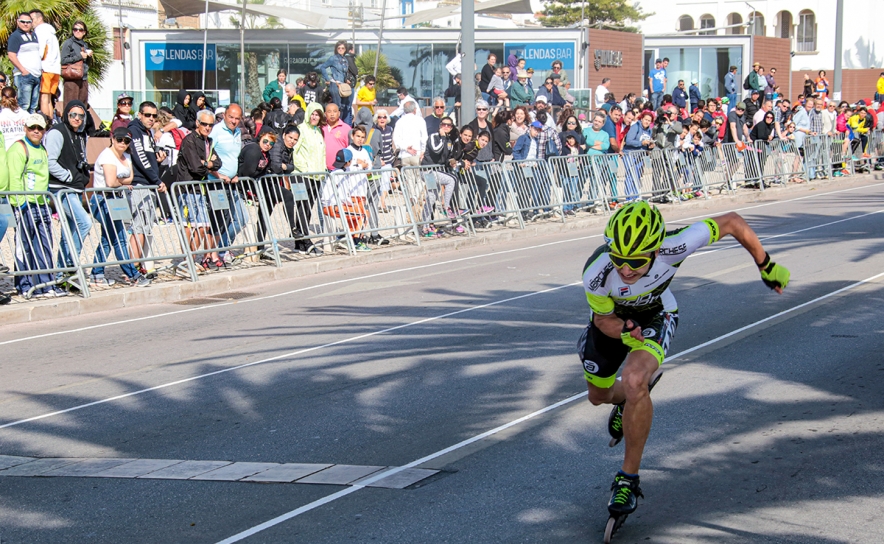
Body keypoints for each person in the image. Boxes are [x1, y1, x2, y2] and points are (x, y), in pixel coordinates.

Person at [580, 202, 789, 517]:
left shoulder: (675, 246)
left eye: (635, 261)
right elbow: (602, 320)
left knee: (636, 380)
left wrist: (765, 264)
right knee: (599, 396)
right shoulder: (596, 272)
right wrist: (624, 330)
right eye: (619, 259)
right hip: (616, 324)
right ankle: (626, 401)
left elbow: (732, 221)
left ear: (653, 252)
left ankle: (628, 479)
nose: (625, 269)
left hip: (656, 315)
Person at [7, 113, 66, 298]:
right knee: (23, 247)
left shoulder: (42, 149)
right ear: (26, 128)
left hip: (41, 204)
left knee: (45, 245)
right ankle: (24, 285)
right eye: (32, 128)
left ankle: (45, 284)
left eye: (40, 128)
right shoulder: (19, 148)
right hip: (25, 205)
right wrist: (20, 204)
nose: (36, 131)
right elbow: (14, 178)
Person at [89, 127, 152, 287]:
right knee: (119, 238)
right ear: (113, 138)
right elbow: (110, 183)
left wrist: (119, 181)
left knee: (107, 240)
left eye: (126, 140)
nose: (123, 143)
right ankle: (133, 275)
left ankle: (96, 274)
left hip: (115, 199)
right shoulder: (107, 155)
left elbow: (129, 179)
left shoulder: (126, 156)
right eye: (120, 139)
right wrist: (120, 182)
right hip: (102, 199)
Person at [45, 100, 92, 282]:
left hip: (74, 188)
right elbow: (50, 161)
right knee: (84, 223)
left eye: (80, 115)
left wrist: (82, 176)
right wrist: (67, 176)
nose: (77, 118)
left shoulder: (80, 135)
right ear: (66, 115)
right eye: (73, 114)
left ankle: (61, 273)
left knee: (69, 231)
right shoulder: (57, 132)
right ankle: (70, 267)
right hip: (61, 189)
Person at [177, 109, 223, 269]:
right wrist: (206, 164)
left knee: (203, 227)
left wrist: (207, 163)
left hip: (200, 189)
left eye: (210, 125)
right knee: (189, 227)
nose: (207, 127)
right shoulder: (189, 141)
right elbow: (195, 167)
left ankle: (191, 258)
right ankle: (187, 260)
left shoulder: (208, 141)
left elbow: (218, 163)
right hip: (187, 188)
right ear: (197, 123)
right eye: (204, 124)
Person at [209, 104, 249, 257]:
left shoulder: (238, 132)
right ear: (224, 115)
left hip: (232, 183)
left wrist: (236, 173)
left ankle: (222, 248)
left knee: (241, 218)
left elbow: (234, 156)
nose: (233, 121)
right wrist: (218, 174)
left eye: (237, 118)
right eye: (231, 117)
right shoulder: (215, 131)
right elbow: (207, 155)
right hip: (216, 182)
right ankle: (216, 253)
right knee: (221, 220)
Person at [291, 103, 326, 250]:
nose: (314, 117)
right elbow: (295, 151)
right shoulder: (301, 130)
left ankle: (300, 241)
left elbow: (322, 153)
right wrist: (304, 168)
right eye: (313, 113)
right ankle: (305, 239)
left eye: (317, 114)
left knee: (308, 208)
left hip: (316, 176)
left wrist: (322, 169)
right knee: (302, 207)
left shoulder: (318, 131)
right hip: (302, 175)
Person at [7, 13, 42, 114]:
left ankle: (31, 128)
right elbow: (11, 55)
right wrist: (23, 70)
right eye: (23, 22)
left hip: (36, 75)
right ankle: (23, 129)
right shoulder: (15, 36)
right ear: (18, 22)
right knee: (24, 105)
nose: (26, 24)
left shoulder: (34, 35)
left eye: (28, 22)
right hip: (24, 76)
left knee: (33, 106)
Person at [29, 10, 60, 119]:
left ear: (38, 18)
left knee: (43, 98)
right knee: (48, 99)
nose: (30, 22)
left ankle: (45, 122)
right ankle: (50, 122)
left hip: (46, 68)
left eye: (31, 19)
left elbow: (40, 51)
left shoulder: (40, 31)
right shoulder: (52, 32)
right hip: (55, 69)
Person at [60, 21, 91, 110]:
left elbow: (85, 63)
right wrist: (79, 56)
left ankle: (81, 123)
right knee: (70, 106)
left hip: (83, 78)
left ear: (84, 32)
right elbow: (63, 60)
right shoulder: (68, 43)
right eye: (75, 29)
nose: (77, 31)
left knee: (82, 106)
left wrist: (88, 56)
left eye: (80, 30)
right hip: (72, 78)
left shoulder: (84, 45)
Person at [318, 40, 349, 110]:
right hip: (335, 84)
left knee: (343, 106)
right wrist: (327, 79)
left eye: (342, 48)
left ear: (345, 49)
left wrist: (346, 79)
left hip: (343, 85)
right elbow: (323, 67)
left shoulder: (345, 60)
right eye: (339, 48)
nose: (340, 49)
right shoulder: (333, 58)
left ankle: (340, 121)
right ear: (336, 49)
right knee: (337, 106)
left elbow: (345, 72)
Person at [323, 103, 351, 171]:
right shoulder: (321, 128)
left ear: (339, 113)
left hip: (340, 170)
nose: (332, 114)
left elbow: (350, 148)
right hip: (323, 170)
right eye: (329, 112)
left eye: (335, 111)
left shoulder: (346, 128)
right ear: (325, 114)